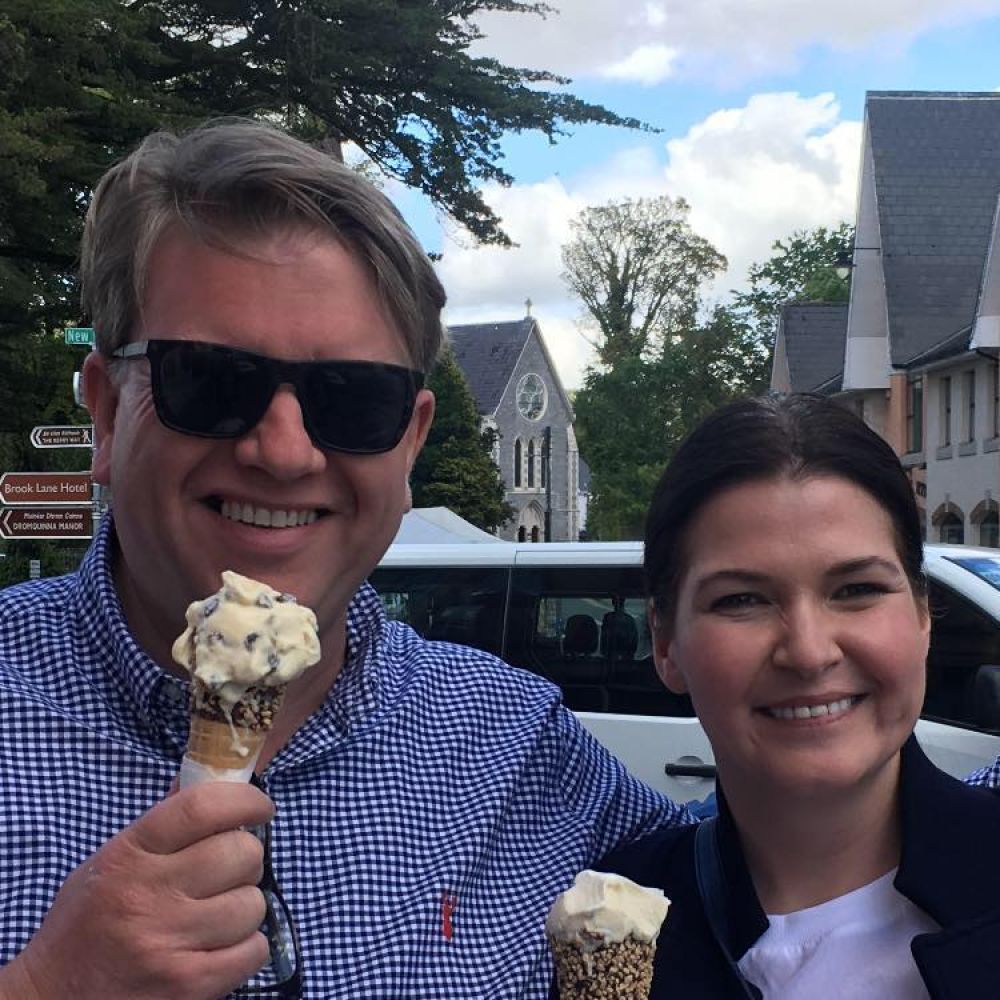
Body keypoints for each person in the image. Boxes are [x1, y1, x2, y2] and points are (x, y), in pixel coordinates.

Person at [0, 120, 692, 1000]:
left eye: (354, 400)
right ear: (104, 412)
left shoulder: (516, 746)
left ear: (410, 443)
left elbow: (779, 896)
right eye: (211, 381)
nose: (283, 452)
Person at [595, 394, 1000, 999]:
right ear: (665, 643)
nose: (809, 653)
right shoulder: (612, 927)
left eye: (857, 589)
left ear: (922, 616)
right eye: (741, 600)